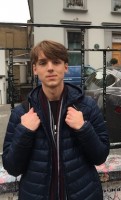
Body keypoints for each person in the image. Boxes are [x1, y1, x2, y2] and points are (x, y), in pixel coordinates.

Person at [2, 40, 110, 200]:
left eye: (56, 62)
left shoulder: (86, 107)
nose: (50, 68)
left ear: (65, 67)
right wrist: (24, 132)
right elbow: (12, 167)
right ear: (35, 69)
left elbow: (100, 157)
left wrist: (83, 128)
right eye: (43, 63)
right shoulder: (22, 113)